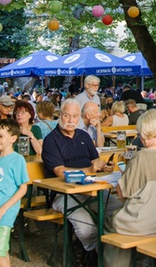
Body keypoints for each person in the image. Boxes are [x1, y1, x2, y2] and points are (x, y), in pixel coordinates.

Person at [41, 99, 119, 265]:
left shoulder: (83, 135)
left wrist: (106, 167)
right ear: (59, 116)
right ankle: (91, 253)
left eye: (75, 116)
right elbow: (60, 172)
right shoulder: (51, 140)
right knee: (86, 227)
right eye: (67, 115)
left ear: (79, 117)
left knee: (118, 211)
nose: (70, 120)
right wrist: (90, 169)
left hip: (91, 189)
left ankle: (106, 251)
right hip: (63, 193)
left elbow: (95, 161)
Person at [104, 109, 156, 267]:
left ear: (143, 132)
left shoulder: (142, 157)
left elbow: (122, 194)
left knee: (108, 221)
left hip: (143, 224)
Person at [0, 118, 29, 267]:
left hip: (5, 211)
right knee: (2, 251)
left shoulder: (17, 159)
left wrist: (4, 209)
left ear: (13, 139)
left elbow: (23, 188)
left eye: (1, 136)